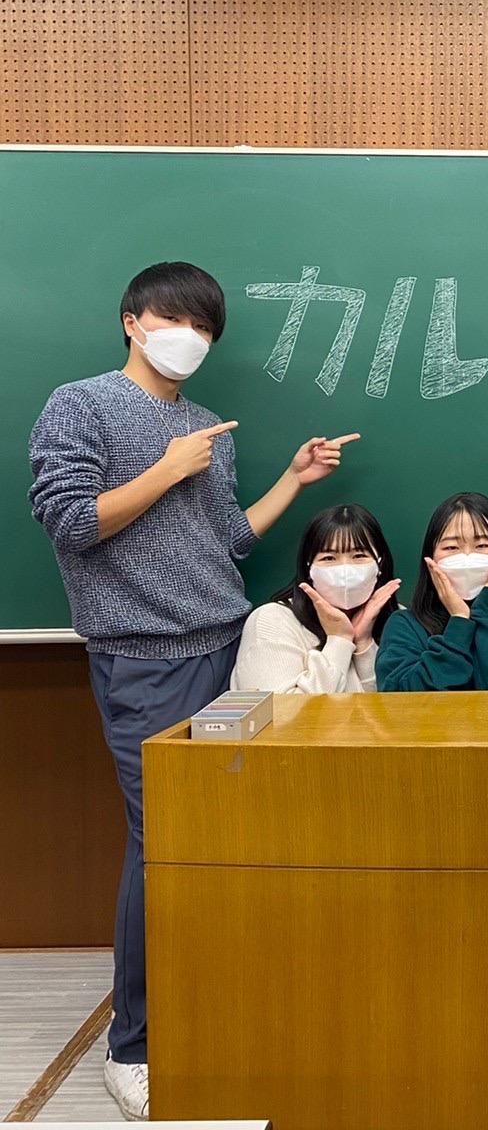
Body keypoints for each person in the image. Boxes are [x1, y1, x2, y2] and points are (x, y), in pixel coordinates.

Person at [28, 261, 357, 1118]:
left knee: (228, 840)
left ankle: (216, 1009)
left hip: (229, 651)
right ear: (133, 321)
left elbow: (225, 542)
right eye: (176, 319)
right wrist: (168, 469)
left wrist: (293, 480)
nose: (191, 338)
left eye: (206, 328)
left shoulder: (210, 425)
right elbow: (69, 522)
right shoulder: (81, 405)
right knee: (161, 843)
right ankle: (133, 1046)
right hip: (144, 660)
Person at [376, 492, 488, 691]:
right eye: (451, 547)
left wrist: (484, 612)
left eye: (482, 545)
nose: (467, 557)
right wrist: (460, 621)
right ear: (430, 559)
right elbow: (402, 699)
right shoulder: (404, 625)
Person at [230, 503, 400, 693]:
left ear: (379, 563)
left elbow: (395, 705)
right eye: (329, 558)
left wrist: (364, 644)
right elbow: (280, 708)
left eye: (359, 555)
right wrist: (339, 639)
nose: (345, 569)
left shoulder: (399, 620)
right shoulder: (272, 620)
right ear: (309, 567)